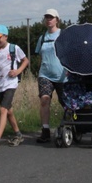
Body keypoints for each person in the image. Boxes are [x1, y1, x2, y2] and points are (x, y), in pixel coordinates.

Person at [33, 9, 65, 143]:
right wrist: (40, 70)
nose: (48, 20)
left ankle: (70, 126)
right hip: (45, 75)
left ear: (57, 20)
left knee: (66, 102)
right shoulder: (42, 38)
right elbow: (39, 55)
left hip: (63, 75)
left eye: (51, 17)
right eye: (46, 17)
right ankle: (45, 130)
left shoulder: (63, 35)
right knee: (44, 100)